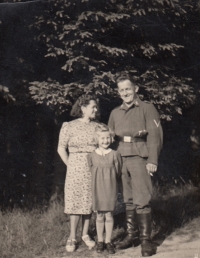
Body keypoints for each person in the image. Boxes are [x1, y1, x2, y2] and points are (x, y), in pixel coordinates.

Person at [108, 73, 163, 257]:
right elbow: (108, 137)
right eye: (121, 90)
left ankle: (146, 241)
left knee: (142, 198)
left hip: (140, 157)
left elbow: (155, 136)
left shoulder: (147, 108)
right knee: (127, 199)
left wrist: (152, 160)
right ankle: (132, 236)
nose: (125, 93)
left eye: (128, 89)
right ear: (118, 92)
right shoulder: (115, 112)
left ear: (136, 89)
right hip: (121, 158)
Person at [57, 94, 99, 252]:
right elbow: (61, 148)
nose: (96, 109)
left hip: (93, 166)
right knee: (75, 201)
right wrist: (69, 164)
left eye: (96, 107)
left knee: (89, 201)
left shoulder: (97, 126)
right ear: (83, 108)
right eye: (93, 107)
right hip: (75, 166)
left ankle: (85, 234)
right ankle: (72, 237)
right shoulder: (69, 126)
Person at [87, 124, 122, 254]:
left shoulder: (115, 154)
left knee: (109, 214)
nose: (105, 141)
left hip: (110, 187)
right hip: (97, 188)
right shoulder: (91, 155)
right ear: (97, 139)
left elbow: (118, 172)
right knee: (99, 214)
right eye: (102, 138)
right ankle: (100, 241)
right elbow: (91, 170)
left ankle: (108, 241)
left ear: (111, 138)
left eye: (107, 138)